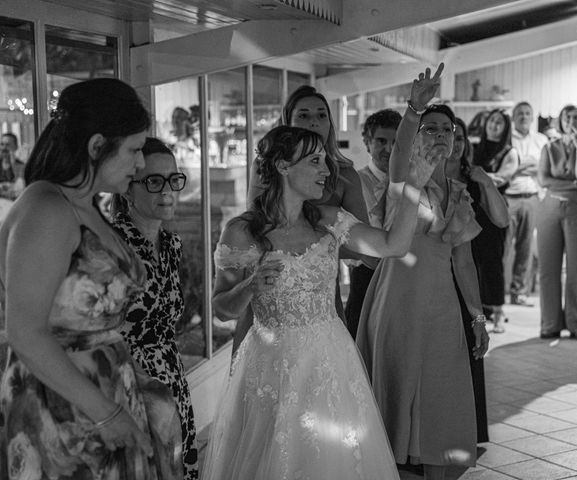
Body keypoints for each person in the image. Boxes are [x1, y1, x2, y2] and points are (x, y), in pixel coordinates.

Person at [202, 124, 428, 480]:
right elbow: (221, 310)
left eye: (324, 160)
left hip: (330, 361)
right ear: (282, 166)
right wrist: (250, 287)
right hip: (269, 367)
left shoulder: (327, 221)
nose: (326, 170)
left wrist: (414, 186)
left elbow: (392, 246)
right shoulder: (241, 231)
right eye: (315, 161)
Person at [0, 79, 183, 479]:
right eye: (134, 150)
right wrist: (108, 414)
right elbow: (25, 332)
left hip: (106, 402)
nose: (139, 165)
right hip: (61, 411)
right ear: (98, 146)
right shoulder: (46, 209)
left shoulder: (86, 207)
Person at [357, 66, 490, 480]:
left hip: (440, 303)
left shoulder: (459, 193)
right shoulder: (403, 178)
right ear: (415, 136)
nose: (439, 135)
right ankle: (389, 461)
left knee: (441, 385)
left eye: (446, 130)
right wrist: (413, 107)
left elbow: (463, 261)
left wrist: (478, 316)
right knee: (397, 380)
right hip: (398, 297)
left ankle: (435, 459)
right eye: (430, 129)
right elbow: (399, 152)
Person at [234, 85, 370, 354]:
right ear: (288, 122)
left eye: (321, 115)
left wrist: (319, 249)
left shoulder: (344, 175)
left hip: (317, 295)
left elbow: (365, 248)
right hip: (269, 290)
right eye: (304, 115)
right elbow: (255, 231)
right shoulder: (265, 167)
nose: (313, 122)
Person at [111, 137, 198, 479]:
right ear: (127, 189)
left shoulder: (171, 244)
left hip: (172, 376)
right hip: (129, 381)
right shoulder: (113, 243)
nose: (167, 190)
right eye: (153, 180)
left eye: (173, 179)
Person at [446, 117, 509, 444]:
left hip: (471, 268)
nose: (453, 143)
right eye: (446, 135)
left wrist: (486, 182)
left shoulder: (473, 177)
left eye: (458, 137)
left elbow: (501, 218)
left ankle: (468, 430)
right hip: (439, 273)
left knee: (469, 350)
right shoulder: (425, 179)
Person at [537, 105, 577, 340]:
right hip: (550, 209)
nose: (571, 121)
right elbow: (543, 180)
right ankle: (550, 323)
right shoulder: (549, 147)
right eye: (567, 117)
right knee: (548, 270)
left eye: (576, 117)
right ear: (560, 121)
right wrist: (575, 186)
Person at [344, 108, 401, 339]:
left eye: (396, 142)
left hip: (406, 279)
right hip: (366, 277)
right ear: (367, 143)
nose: (388, 149)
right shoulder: (353, 182)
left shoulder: (414, 184)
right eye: (381, 141)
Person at [471, 109, 519, 333]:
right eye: (492, 121)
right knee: (472, 261)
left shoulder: (509, 152)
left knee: (493, 262)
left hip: (494, 212)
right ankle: (480, 312)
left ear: (506, 127)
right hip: (472, 211)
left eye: (500, 122)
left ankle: (499, 312)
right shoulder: (474, 148)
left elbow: (502, 178)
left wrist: (478, 176)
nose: (494, 126)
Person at [505, 102, 548, 307]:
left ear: (532, 117)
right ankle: (498, 293)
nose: (524, 116)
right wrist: (527, 165)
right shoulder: (506, 138)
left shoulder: (542, 140)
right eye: (520, 113)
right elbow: (505, 168)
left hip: (532, 197)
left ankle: (518, 292)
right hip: (508, 198)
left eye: (527, 113)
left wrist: (518, 166)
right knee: (502, 248)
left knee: (525, 248)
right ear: (513, 117)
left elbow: (543, 169)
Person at [0, 132, 26, 202]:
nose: (4, 148)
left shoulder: (21, 166)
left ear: (16, 147)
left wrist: (14, 164)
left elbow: (21, 189)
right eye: (2, 144)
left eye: (7, 145)